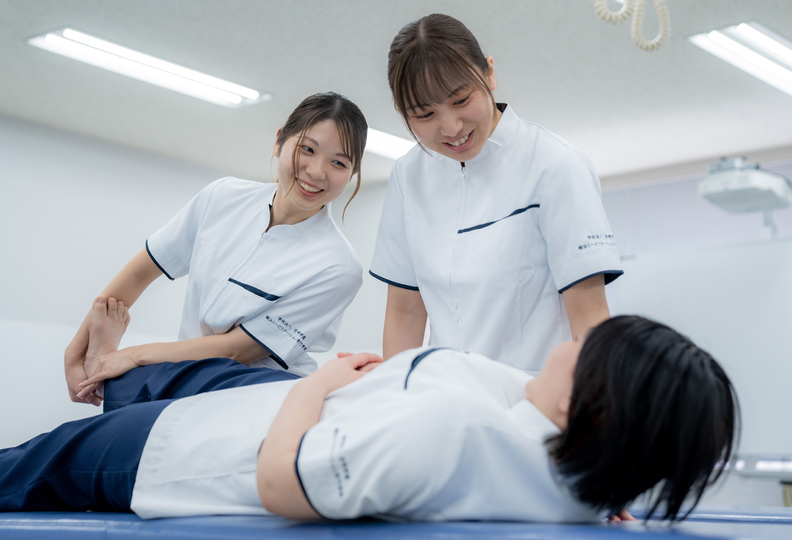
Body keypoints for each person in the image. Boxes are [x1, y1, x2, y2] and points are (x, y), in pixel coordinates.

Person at [0, 311, 738, 523]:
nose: (571, 340)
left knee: (43, 457)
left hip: (199, 447)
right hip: (292, 395)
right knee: (155, 371)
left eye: (586, 349)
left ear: (589, 404)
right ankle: (122, 366)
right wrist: (613, 487)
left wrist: (312, 387)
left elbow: (280, 486)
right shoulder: (575, 470)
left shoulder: (449, 429)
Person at [65, 92, 368, 406]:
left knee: (133, 385)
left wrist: (132, 357)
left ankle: (113, 372)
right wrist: (75, 355)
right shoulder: (223, 197)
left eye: (338, 162)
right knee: (133, 392)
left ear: (352, 173)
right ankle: (107, 368)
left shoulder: (338, 267)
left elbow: (237, 350)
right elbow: (142, 271)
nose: (317, 172)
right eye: (307, 149)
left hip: (257, 391)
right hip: (185, 375)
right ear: (279, 142)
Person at [370, 14, 624, 371]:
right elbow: (405, 310)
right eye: (425, 114)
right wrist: (393, 398)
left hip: (532, 401)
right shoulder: (407, 175)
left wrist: (594, 413)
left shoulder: (555, 165)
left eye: (460, 100)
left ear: (489, 73)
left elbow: (590, 315)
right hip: (443, 400)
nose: (451, 127)